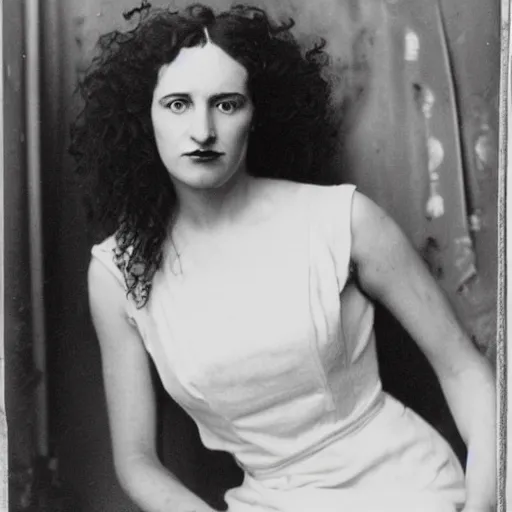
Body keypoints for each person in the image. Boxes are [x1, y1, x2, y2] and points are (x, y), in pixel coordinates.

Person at [70, 3, 496, 512]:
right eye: (178, 104)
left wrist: (483, 504)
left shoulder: (342, 221)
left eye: (226, 104)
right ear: (144, 116)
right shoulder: (118, 272)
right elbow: (136, 460)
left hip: (407, 490)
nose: (203, 130)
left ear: (256, 113)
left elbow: (467, 373)